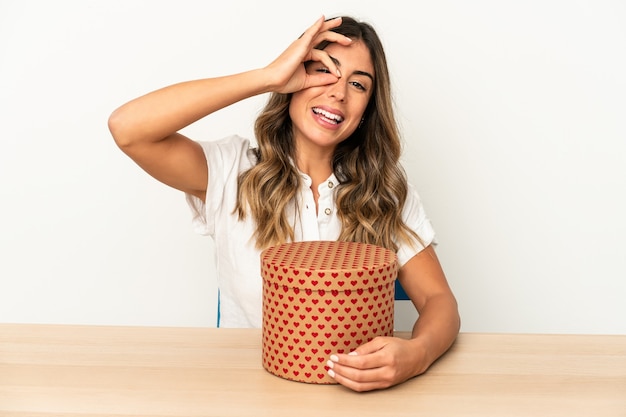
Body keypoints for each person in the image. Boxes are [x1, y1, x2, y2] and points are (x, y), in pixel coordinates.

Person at [108, 15, 460, 392]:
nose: (338, 92)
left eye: (357, 84)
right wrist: (267, 77)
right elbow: (127, 128)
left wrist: (417, 354)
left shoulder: (385, 192)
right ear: (294, 77)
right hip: (247, 395)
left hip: (358, 400)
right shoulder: (232, 173)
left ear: (367, 110)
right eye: (323, 70)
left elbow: (440, 301)